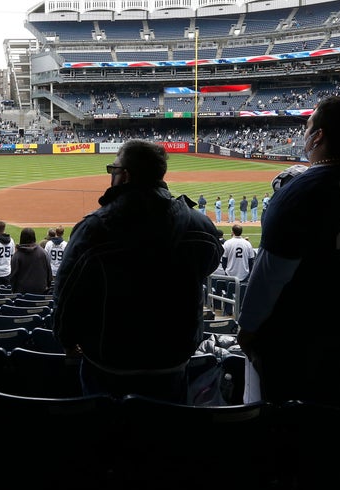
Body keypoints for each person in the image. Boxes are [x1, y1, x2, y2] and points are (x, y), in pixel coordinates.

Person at [237, 96, 340, 410]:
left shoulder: (298, 191)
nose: (305, 132)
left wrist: (248, 327)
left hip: (300, 328)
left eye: (309, 125)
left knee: (286, 421)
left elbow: (271, 274)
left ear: (319, 135)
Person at [54, 139, 222, 403]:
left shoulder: (95, 228)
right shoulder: (198, 224)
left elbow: (67, 290)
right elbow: (210, 262)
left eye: (113, 169)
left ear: (126, 175)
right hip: (172, 358)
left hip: (109, 360)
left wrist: (66, 338)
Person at [9, 227, 53, 295]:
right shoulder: (43, 252)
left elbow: (13, 277)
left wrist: (14, 291)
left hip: (22, 294)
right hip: (40, 292)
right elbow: (49, 273)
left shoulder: (17, 255)